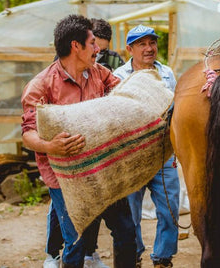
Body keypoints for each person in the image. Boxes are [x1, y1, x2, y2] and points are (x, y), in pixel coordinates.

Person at [21, 14, 137, 268]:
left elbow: (123, 92)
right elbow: (28, 133)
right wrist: (49, 146)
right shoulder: (40, 86)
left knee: (127, 231)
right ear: (76, 46)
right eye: (93, 43)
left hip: (102, 170)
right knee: (76, 241)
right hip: (65, 179)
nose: (98, 49)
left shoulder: (99, 73)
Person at [113, 25, 180, 268]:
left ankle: (163, 257)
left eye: (152, 43)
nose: (149, 48)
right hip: (132, 155)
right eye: (142, 44)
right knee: (130, 212)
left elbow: (175, 110)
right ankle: (134, 255)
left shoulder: (167, 74)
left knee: (170, 208)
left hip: (163, 152)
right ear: (129, 49)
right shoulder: (119, 76)